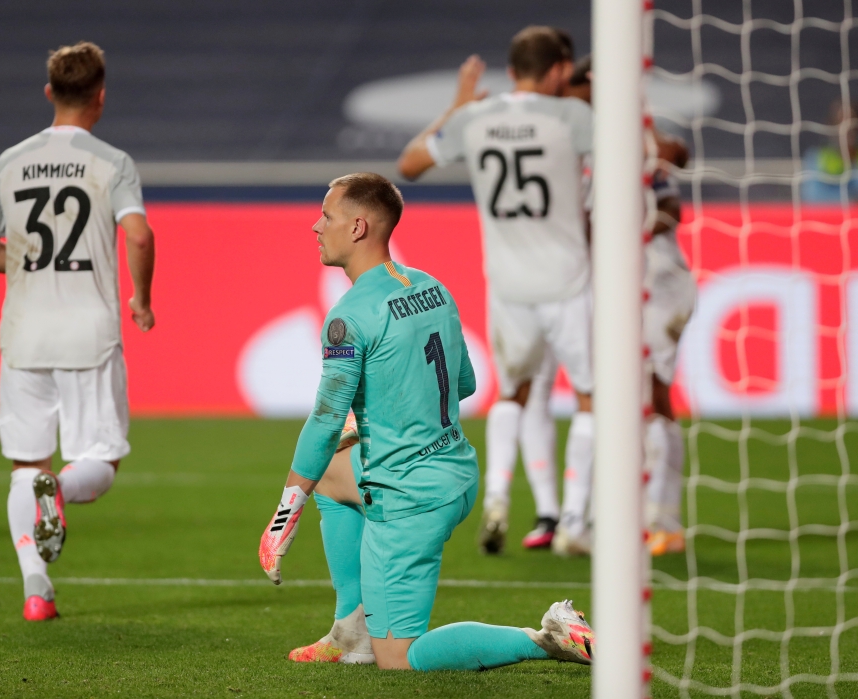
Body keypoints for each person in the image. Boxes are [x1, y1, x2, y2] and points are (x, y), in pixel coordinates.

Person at [258, 173, 594, 670]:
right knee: (331, 473)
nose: (315, 225)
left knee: (399, 658)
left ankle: (544, 637)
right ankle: (351, 632)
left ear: (357, 227)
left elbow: (327, 419)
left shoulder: (348, 317)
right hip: (456, 472)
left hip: (410, 498)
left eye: (326, 216)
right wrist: (386, 422)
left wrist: (283, 517)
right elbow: (465, 383)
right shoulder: (431, 286)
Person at [0, 42, 156, 620]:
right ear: (100, 96)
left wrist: (26, 264)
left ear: (49, 93)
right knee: (99, 459)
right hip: (88, 332)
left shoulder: (11, 160)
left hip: (24, 336)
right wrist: (141, 299)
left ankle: (35, 590)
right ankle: (64, 492)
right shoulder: (112, 162)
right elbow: (140, 236)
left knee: (27, 466)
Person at [398, 26, 595, 556]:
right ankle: (576, 518)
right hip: (570, 279)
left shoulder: (475, 119)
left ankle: (499, 499)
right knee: (591, 396)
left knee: (513, 394)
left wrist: (456, 107)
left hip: (507, 284)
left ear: (510, 72)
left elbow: (409, 165)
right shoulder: (573, 118)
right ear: (558, 71)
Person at [563, 55, 696, 555]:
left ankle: (666, 520)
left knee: (654, 394)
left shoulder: (633, 137)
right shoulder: (585, 147)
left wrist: (630, 234)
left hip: (658, 283)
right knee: (623, 398)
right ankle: (610, 515)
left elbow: (671, 203)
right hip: (618, 286)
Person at [801, 100, 858, 202]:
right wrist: (851, 200)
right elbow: (812, 196)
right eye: (840, 122)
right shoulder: (818, 157)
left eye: (853, 121)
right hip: (830, 216)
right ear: (831, 126)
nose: (848, 129)